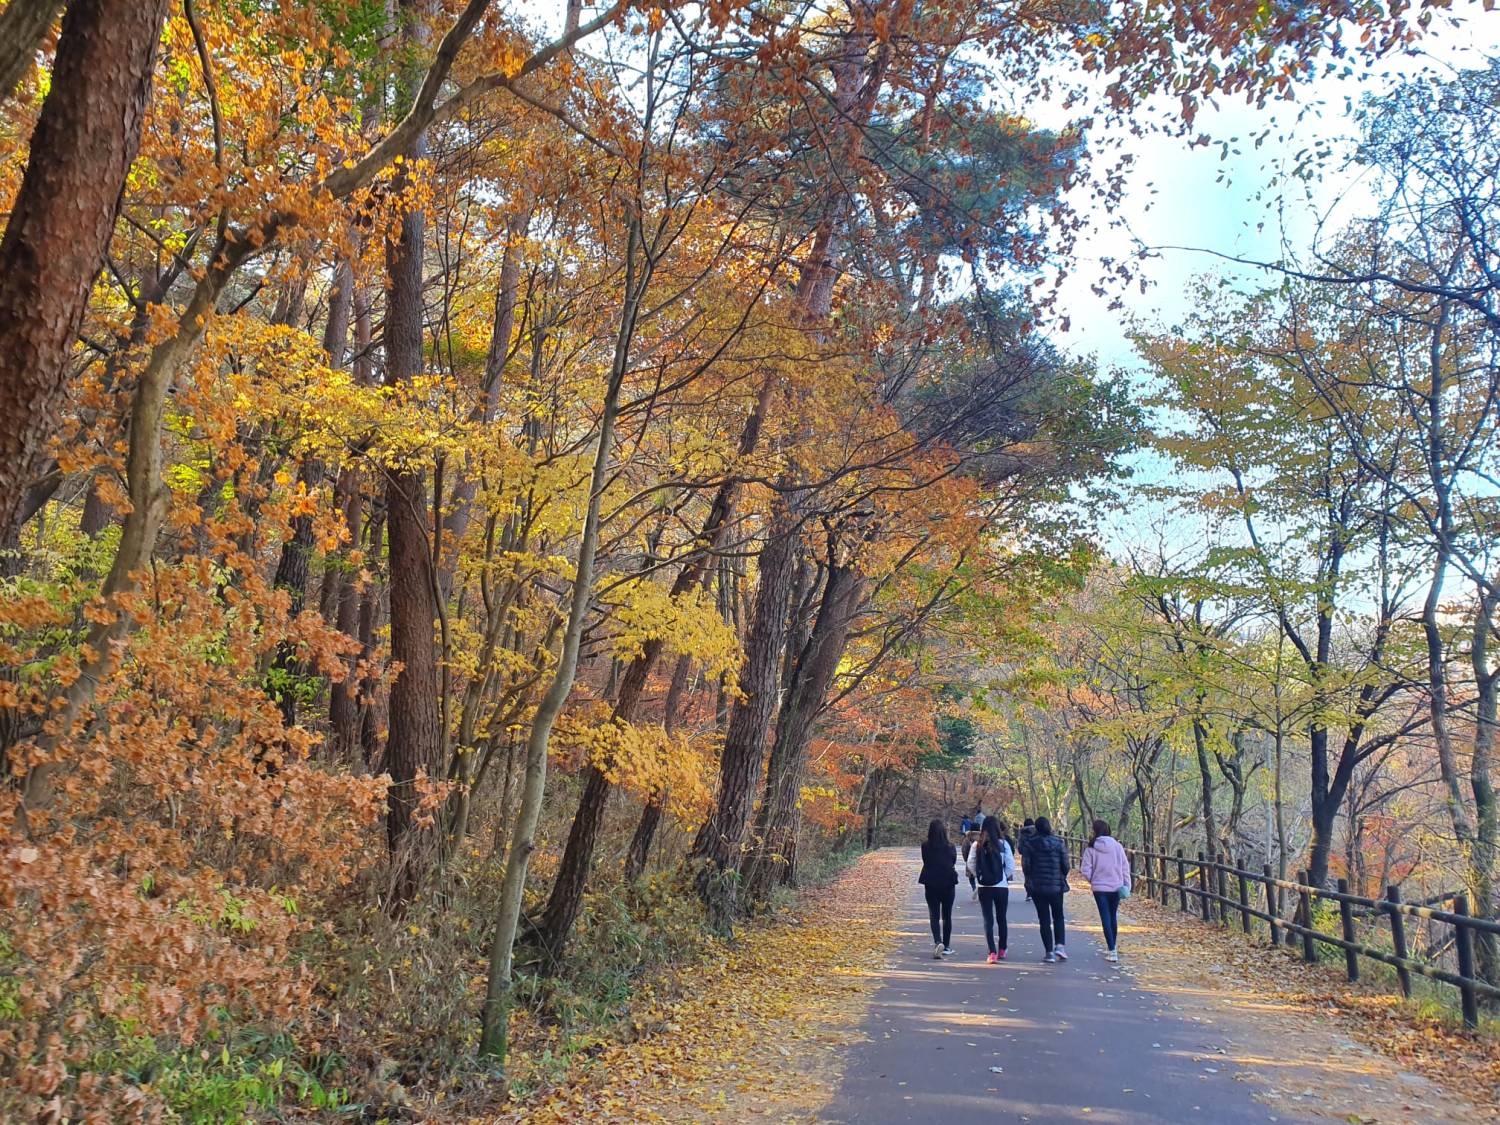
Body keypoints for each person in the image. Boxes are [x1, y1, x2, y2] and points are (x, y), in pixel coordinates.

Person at [965, 814, 1014, 963]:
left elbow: (971, 863)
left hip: (984, 887)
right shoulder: (1003, 844)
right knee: (1002, 918)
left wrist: (980, 876)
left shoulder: (976, 845)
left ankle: (991, 952)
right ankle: (1002, 949)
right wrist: (1003, 876)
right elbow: (1010, 865)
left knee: (988, 919)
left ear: (983, 828)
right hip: (1001, 886)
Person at [1080, 818, 1131, 962]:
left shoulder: (1091, 848)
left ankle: (1112, 949)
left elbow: (1085, 869)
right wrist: (1127, 885)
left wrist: (1093, 880)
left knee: (1105, 917)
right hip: (1116, 886)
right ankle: (1112, 947)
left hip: (1099, 888)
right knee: (1112, 916)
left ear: (1095, 831)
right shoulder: (1117, 847)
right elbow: (1125, 867)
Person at [1026, 816, 1070, 963]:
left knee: (1044, 919)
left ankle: (1049, 952)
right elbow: (1066, 865)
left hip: (1038, 887)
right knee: (1058, 916)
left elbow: (1026, 866)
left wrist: (1030, 879)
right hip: (1056, 886)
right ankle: (1060, 946)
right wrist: (1061, 875)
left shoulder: (1030, 844)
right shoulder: (1058, 843)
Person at [918, 818, 960, 959]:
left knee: (934, 915)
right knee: (947, 915)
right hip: (948, 882)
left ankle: (937, 941)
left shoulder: (925, 846)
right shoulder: (950, 847)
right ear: (943, 832)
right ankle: (947, 946)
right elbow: (953, 861)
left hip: (931, 883)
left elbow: (926, 861)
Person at [1017, 818, 1038, 902]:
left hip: (1026, 859)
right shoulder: (1038, 832)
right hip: (1037, 858)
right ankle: (1036, 893)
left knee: (1027, 876)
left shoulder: (1022, 833)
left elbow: (1020, 849)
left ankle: (1029, 893)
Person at [959, 827, 980, 900]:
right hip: (981, 860)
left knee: (971, 877)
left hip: (970, 859)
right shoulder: (983, 837)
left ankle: (974, 888)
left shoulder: (968, 838)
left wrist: (966, 859)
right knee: (981, 876)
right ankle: (980, 887)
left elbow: (964, 849)